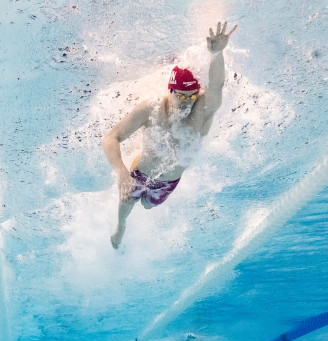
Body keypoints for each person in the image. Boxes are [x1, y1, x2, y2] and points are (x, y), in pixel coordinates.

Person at [102, 21, 238, 248]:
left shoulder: (203, 109)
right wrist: (121, 173)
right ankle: (121, 227)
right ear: (170, 91)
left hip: (169, 182)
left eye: (192, 95)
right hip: (139, 173)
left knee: (147, 205)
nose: (187, 101)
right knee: (127, 203)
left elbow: (217, 86)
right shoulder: (152, 107)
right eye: (181, 96)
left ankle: (135, 206)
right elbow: (110, 138)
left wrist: (217, 54)